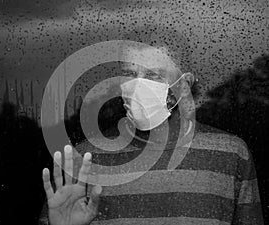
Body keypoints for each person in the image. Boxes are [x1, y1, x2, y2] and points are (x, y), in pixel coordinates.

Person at [39, 31, 264, 225]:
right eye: (130, 74)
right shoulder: (83, 159)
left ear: (183, 86)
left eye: (153, 75)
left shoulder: (231, 154)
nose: (138, 85)